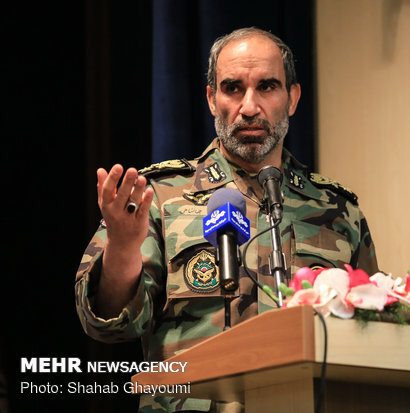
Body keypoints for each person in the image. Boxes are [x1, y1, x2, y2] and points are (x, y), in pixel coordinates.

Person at [75, 27, 378, 413]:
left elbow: (372, 334)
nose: (249, 107)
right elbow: (106, 324)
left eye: (267, 87)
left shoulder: (338, 211)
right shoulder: (160, 197)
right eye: (233, 88)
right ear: (211, 99)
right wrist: (122, 248)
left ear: (292, 98)